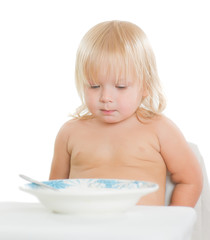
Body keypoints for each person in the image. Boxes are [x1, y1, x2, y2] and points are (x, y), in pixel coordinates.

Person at [49, 20, 203, 206]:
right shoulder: (70, 132)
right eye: (94, 86)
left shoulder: (159, 129)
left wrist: (172, 223)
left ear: (145, 85)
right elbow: (54, 189)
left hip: (141, 230)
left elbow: (191, 180)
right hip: (83, 228)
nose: (106, 97)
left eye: (121, 86)